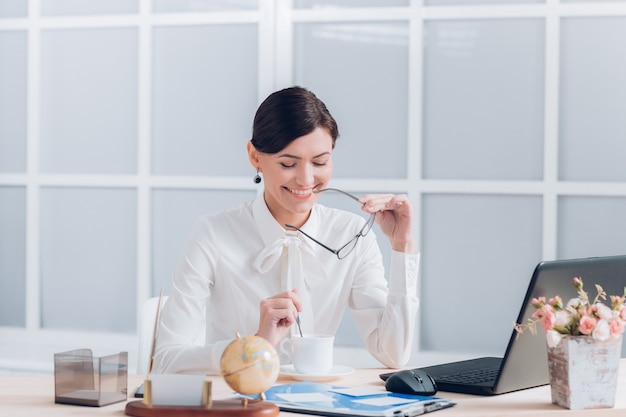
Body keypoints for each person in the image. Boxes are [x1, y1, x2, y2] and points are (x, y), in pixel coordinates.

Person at [153, 86, 419, 374]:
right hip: (242, 404)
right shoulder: (213, 234)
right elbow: (165, 362)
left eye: (320, 162)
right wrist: (254, 346)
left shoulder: (352, 234)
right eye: (288, 163)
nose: (306, 179)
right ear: (255, 157)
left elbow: (394, 354)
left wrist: (402, 246)